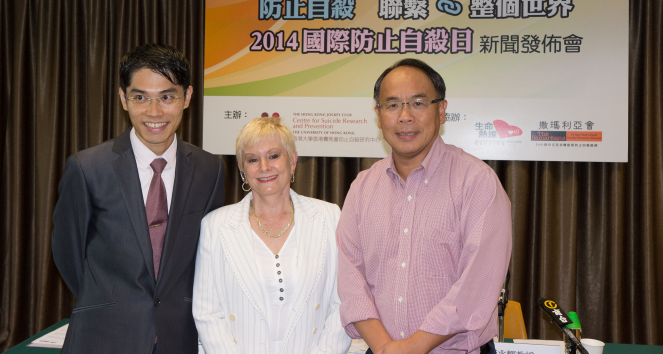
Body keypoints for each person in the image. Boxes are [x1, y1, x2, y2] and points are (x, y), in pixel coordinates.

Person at [51, 43, 225, 354]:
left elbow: (209, 255)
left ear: (187, 97)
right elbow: (68, 253)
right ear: (123, 98)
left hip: (178, 337)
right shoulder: (88, 167)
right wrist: (110, 300)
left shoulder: (209, 169)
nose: (154, 111)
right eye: (140, 97)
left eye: (167, 97)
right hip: (102, 336)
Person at [336, 59, 512, 354]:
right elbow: (351, 279)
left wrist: (412, 347)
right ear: (379, 116)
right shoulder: (362, 188)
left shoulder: (477, 182)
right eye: (392, 105)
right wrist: (384, 348)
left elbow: (477, 284)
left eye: (418, 103)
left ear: (441, 110)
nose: (405, 117)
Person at [193, 117, 351, 354]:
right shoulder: (215, 226)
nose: (264, 166)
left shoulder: (330, 217)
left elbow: (343, 304)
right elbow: (207, 313)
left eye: (274, 155)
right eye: (253, 159)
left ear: (293, 160)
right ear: (242, 168)